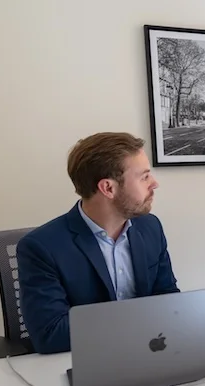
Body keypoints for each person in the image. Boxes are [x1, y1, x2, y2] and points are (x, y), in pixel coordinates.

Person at [18, 132, 179, 354]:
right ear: (108, 188)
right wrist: (140, 319)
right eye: (144, 177)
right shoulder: (41, 248)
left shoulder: (149, 227)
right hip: (86, 361)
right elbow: (51, 335)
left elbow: (168, 298)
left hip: (148, 353)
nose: (154, 184)